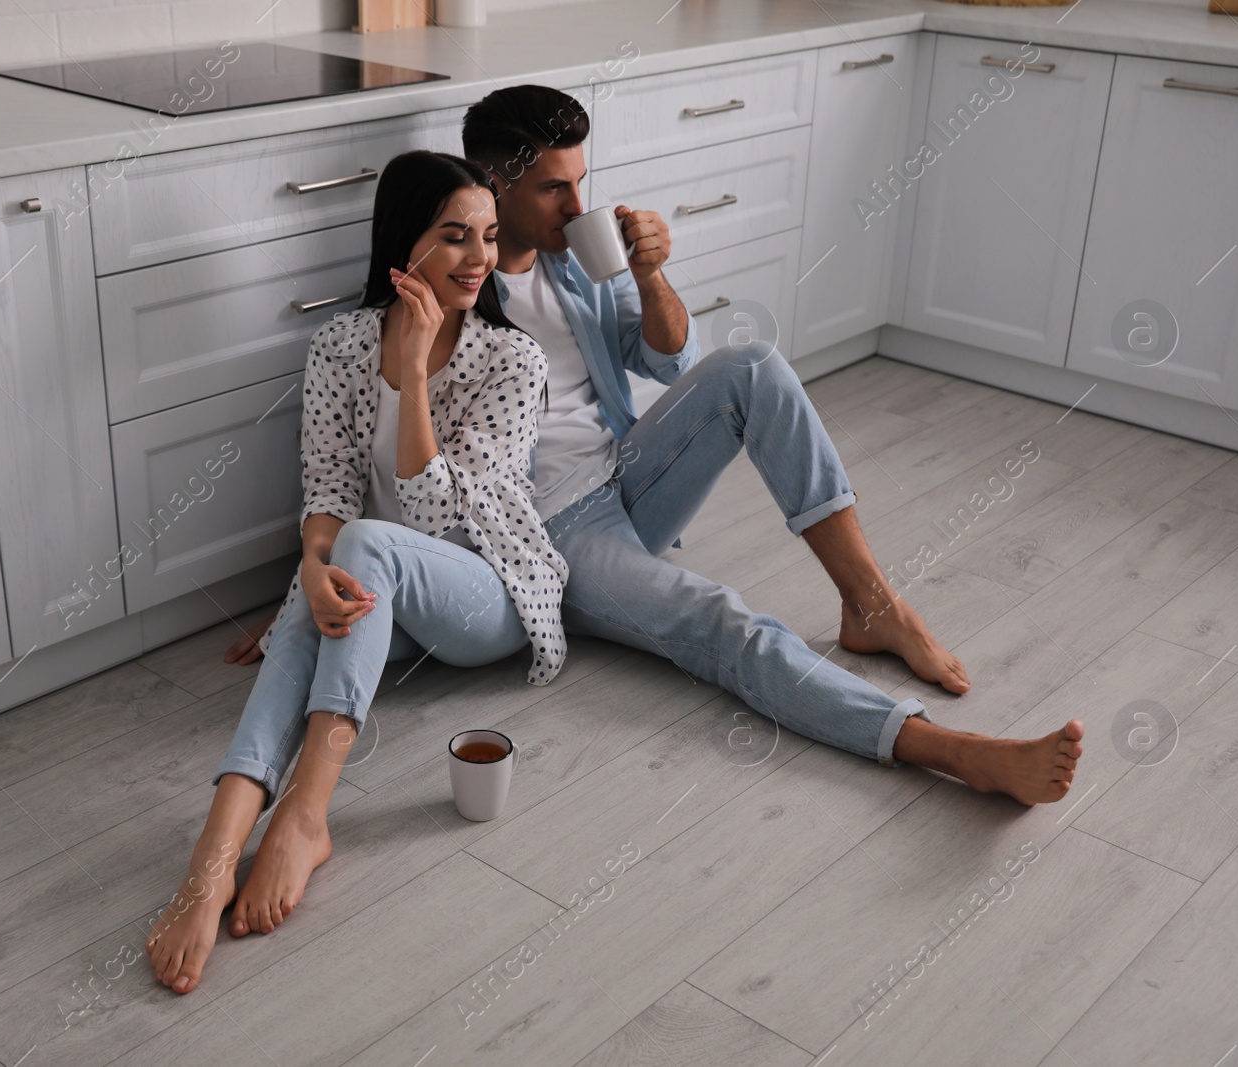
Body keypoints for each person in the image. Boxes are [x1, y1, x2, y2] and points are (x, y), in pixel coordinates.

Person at [457, 85, 1083, 806]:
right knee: (723, 620)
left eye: (581, 184)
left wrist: (650, 275)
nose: (577, 206)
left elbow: (666, 360)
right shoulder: (454, 286)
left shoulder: (570, 261)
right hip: (554, 532)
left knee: (752, 365)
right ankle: (946, 748)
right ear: (494, 186)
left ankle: (871, 605)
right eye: (553, 189)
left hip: (623, 473)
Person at [146, 150, 568, 995]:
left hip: (491, 596)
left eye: (487, 236)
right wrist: (309, 565)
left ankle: (305, 814)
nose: (480, 257)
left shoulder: (512, 362)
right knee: (333, 566)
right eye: (454, 236)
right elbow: (328, 487)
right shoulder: (340, 345)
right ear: (401, 244)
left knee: (363, 546)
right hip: (384, 587)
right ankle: (218, 846)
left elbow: (440, 520)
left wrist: (413, 375)